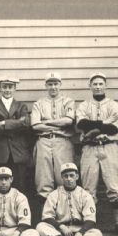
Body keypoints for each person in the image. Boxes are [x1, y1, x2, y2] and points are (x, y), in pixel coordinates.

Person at [76, 72, 118, 236]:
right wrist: (101, 125)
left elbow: (114, 128)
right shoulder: (84, 105)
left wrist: (93, 128)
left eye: (101, 84)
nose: (98, 86)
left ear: (105, 85)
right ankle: (89, 224)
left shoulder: (113, 105)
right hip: (90, 148)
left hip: (109, 147)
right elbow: (81, 124)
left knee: (114, 186)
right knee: (88, 188)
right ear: (90, 86)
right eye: (95, 84)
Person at [36, 163, 103, 236]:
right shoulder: (54, 194)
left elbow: (91, 220)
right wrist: (61, 227)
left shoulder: (85, 195)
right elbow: (46, 216)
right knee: (41, 227)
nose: (69, 179)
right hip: (60, 231)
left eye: (71, 175)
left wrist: (80, 234)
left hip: (78, 230)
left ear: (77, 176)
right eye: (65, 176)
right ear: (62, 178)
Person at [30, 71, 76, 199]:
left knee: (65, 176)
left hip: (62, 141)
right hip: (43, 141)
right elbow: (35, 125)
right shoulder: (39, 103)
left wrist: (47, 122)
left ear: (60, 84)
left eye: (56, 83)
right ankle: (47, 216)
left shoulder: (68, 101)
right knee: (43, 180)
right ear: (46, 86)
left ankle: (66, 215)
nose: (53, 87)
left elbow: (68, 120)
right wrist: (58, 124)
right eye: (50, 84)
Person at [0, 77, 31, 193]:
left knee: (19, 186)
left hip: (18, 152)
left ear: (15, 88)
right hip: (0, 152)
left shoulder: (21, 106)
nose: (7, 90)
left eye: (10, 87)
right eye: (4, 87)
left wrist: (5, 123)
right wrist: (17, 123)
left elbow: (26, 124)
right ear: (0, 88)